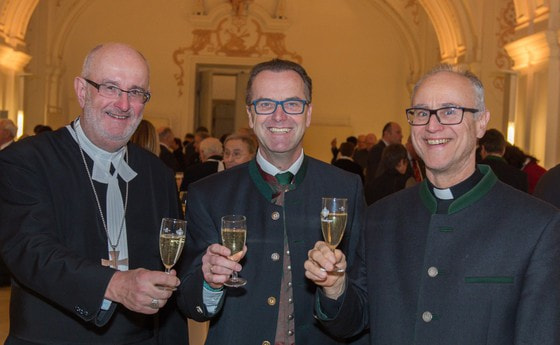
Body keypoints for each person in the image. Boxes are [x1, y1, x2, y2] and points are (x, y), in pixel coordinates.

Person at [305, 64, 560, 344]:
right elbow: (353, 326)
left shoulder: (537, 225)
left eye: (450, 111)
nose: (432, 125)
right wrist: (335, 288)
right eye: (422, 113)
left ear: (481, 123)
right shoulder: (381, 217)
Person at [0, 43, 188, 344]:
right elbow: (29, 249)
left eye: (136, 92)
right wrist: (113, 284)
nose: (124, 104)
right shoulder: (26, 160)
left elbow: (171, 275)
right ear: (82, 90)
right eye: (110, 87)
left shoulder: (158, 174)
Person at [177, 59, 367, 345]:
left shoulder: (346, 188)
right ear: (250, 116)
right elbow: (191, 306)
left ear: (308, 113)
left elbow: (359, 310)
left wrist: (336, 291)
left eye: (292, 104)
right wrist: (209, 283)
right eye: (265, 104)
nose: (279, 116)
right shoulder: (208, 194)